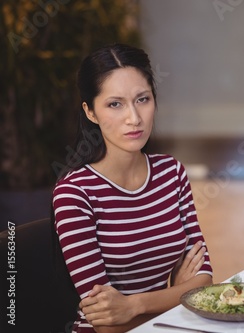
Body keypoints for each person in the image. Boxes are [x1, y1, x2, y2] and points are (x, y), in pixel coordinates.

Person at [52, 44, 213, 333]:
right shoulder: (74, 194)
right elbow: (106, 323)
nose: (134, 118)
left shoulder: (171, 173)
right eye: (115, 104)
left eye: (142, 99)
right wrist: (178, 298)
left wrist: (132, 305)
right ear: (90, 112)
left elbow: (203, 282)